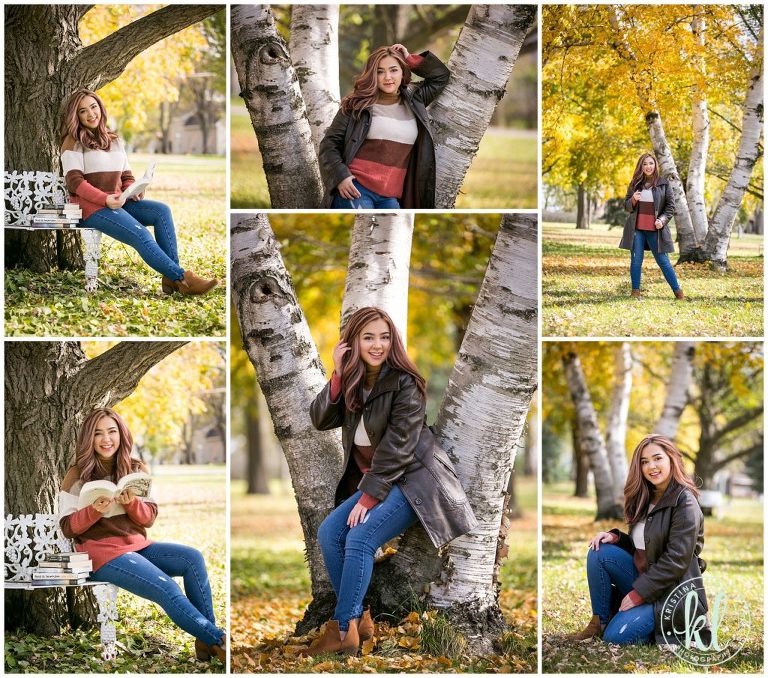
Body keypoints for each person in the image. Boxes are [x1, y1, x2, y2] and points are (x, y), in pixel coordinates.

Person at [303, 306, 478, 656]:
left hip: (414, 483)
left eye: (384, 337)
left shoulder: (405, 383)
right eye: (368, 337)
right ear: (353, 342)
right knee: (329, 533)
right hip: (381, 481)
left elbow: (398, 447)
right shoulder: (353, 381)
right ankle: (359, 620)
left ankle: (343, 630)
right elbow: (320, 419)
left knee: (360, 538)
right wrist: (337, 372)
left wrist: (368, 498)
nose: (377, 345)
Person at [58, 408, 226, 662]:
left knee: (192, 558)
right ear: (88, 439)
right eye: (98, 433)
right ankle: (219, 641)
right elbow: (68, 527)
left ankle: (206, 640)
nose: (106, 439)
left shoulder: (136, 469)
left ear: (121, 434)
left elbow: (149, 518)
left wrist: (131, 503)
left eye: (112, 432)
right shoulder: (76, 475)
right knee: (165, 587)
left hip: (137, 546)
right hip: (100, 554)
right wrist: (93, 511)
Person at [60, 89, 218, 295]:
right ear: (77, 116)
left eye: (93, 107)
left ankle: (171, 279)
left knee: (161, 211)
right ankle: (183, 279)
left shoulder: (114, 139)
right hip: (90, 208)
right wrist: (105, 199)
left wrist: (133, 189)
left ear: (100, 108)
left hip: (118, 201)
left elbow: (126, 175)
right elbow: (74, 182)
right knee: (140, 233)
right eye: (83, 111)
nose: (91, 114)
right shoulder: (73, 142)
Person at [567, 435, 708, 646]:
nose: (651, 466)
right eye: (644, 461)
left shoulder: (685, 502)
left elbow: (676, 560)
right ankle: (599, 622)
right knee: (599, 551)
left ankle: (665, 628)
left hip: (670, 592)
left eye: (657, 458)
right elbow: (646, 544)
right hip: (644, 577)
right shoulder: (645, 496)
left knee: (615, 638)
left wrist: (639, 594)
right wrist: (617, 538)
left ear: (671, 459)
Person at [318, 44, 449, 209]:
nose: (387, 77)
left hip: (390, 197)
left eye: (394, 70)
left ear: (403, 72)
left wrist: (409, 58)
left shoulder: (415, 100)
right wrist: (340, 177)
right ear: (373, 75)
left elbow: (440, 76)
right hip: (356, 189)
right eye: (380, 72)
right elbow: (329, 144)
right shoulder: (357, 105)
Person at [618, 152, 684, 300]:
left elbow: (670, 207)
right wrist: (633, 199)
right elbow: (627, 206)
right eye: (645, 164)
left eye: (651, 163)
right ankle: (635, 292)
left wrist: (662, 220)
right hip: (637, 230)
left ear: (655, 165)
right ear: (641, 166)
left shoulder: (663, 183)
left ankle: (678, 292)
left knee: (663, 261)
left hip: (655, 230)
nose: (648, 166)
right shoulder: (635, 184)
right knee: (636, 260)